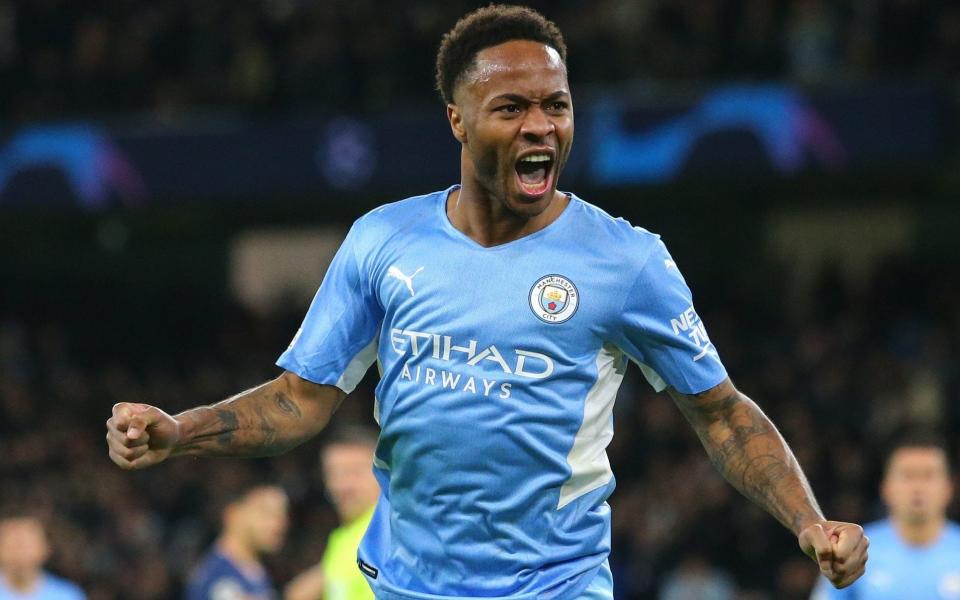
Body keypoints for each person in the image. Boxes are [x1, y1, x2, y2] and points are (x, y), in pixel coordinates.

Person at [105, 5, 869, 599]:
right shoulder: (383, 241)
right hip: (403, 586)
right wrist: (182, 430)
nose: (541, 125)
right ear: (457, 120)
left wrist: (807, 521)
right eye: (511, 108)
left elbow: (724, 413)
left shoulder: (626, 261)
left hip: (554, 585)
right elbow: (300, 399)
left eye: (557, 106)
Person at [811, 431, 960, 599]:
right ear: (886, 487)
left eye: (928, 476)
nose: (918, 487)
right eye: (907, 476)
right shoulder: (854, 547)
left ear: (949, 487)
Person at [285, 427, 380, 600]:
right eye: (334, 474)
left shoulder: (392, 530)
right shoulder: (342, 538)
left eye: (355, 472)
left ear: (383, 472)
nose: (343, 485)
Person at [186, 485, 289, 600]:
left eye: (282, 515)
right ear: (233, 514)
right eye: (267, 513)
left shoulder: (253, 571)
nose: (279, 524)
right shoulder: (219, 577)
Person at [0, 516, 85, 600]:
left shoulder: (68, 595)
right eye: (12, 543)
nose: (19, 551)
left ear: (46, 548)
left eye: (26, 544)